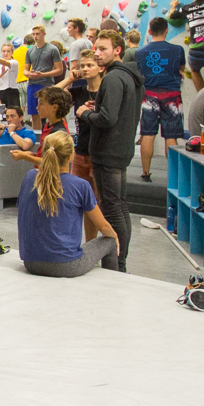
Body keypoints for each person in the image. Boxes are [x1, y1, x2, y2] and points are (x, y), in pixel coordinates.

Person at [77, 30, 144, 273]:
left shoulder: (114, 78)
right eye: (96, 48)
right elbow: (119, 110)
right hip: (119, 149)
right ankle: (119, 262)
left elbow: (107, 118)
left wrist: (85, 114)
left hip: (109, 151)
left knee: (113, 208)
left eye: (102, 49)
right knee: (118, 206)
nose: (97, 53)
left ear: (118, 50)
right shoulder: (129, 76)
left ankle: (118, 263)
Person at [17, 131, 120, 276]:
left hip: (31, 263)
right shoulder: (80, 185)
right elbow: (103, 226)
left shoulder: (30, 177)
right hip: (66, 265)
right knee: (110, 241)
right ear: (71, 156)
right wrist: (115, 237)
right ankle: (113, 284)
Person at [133, 17, 188, 182]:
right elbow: (181, 70)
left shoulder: (140, 52)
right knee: (171, 136)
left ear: (149, 31)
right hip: (172, 95)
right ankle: (175, 175)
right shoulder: (178, 50)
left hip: (149, 95)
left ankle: (145, 173)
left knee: (148, 134)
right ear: (166, 30)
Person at [24, 24, 63, 130]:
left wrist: (43, 74)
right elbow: (25, 70)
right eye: (33, 34)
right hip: (32, 84)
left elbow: (59, 69)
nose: (35, 37)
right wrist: (29, 74)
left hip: (46, 84)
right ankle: (37, 137)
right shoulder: (30, 50)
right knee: (34, 114)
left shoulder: (52, 49)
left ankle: (51, 133)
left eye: (37, 34)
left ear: (44, 34)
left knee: (50, 111)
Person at [0, 42, 21, 108]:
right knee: (3, 114)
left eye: (8, 51)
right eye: (4, 51)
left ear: (12, 52)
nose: (6, 53)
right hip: (1, 91)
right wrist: (1, 74)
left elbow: (5, 62)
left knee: (14, 112)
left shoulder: (14, 62)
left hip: (11, 90)